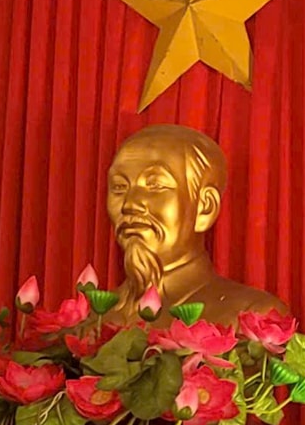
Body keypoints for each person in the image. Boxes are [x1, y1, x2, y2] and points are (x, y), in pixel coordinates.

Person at [102, 123, 289, 326]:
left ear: (205, 207)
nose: (129, 205)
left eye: (155, 185)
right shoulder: (91, 320)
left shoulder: (252, 318)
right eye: (119, 187)